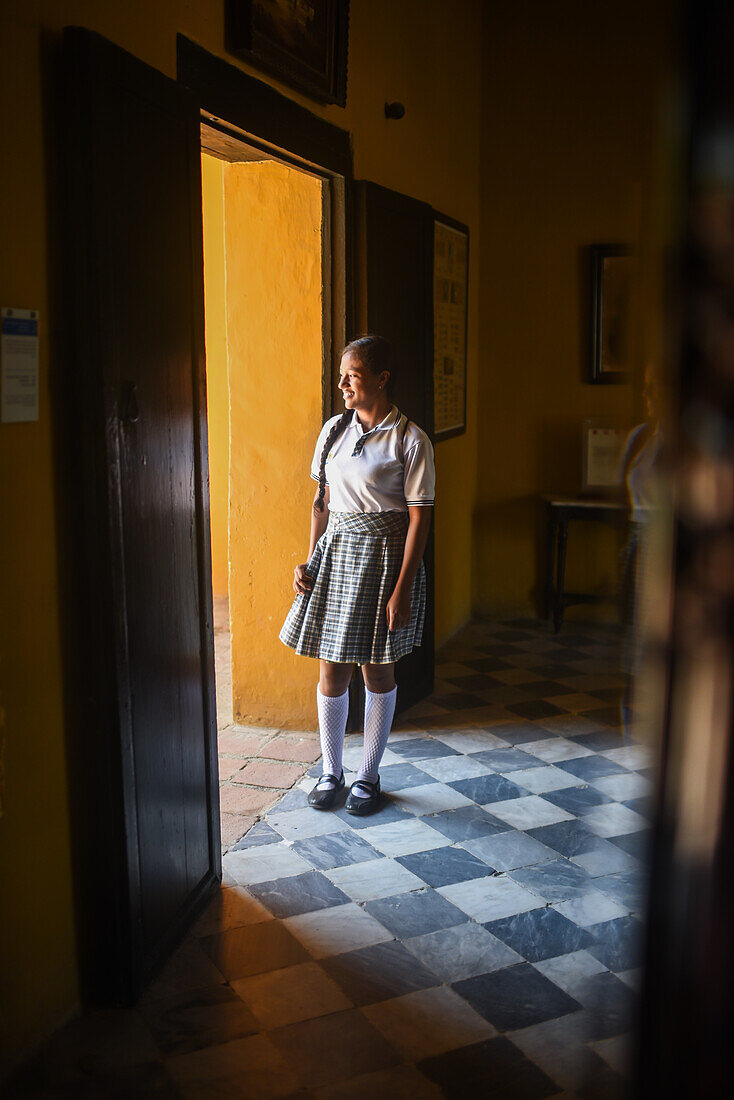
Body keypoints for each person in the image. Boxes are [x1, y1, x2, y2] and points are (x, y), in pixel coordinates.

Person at [279, 334, 435, 815]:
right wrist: (310, 561)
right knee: (330, 669)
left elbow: (419, 518)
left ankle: (368, 775)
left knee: (378, 670)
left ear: (382, 379)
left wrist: (402, 589)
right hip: (336, 557)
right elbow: (321, 503)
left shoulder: (410, 439)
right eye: (342, 373)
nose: (343, 382)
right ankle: (332, 772)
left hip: (384, 562)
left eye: (354, 374)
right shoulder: (333, 431)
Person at [617, 363, 663, 733]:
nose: (647, 396)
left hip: (662, 540)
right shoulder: (644, 434)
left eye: (654, 388)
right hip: (639, 535)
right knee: (636, 624)